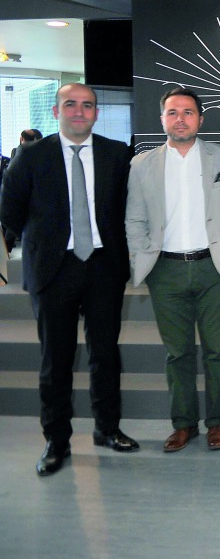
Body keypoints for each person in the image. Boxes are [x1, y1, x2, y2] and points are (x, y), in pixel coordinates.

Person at [0, 83, 138, 476]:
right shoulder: (30, 157)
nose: (80, 111)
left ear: (96, 112)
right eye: (71, 105)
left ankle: (107, 429)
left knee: (105, 354)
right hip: (52, 270)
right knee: (55, 360)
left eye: (87, 105)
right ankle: (56, 441)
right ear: (57, 111)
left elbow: (128, 207)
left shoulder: (116, 154)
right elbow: (10, 211)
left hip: (103, 268)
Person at [126, 87, 220, 452]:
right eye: (172, 112)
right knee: (178, 353)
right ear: (162, 119)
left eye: (188, 112)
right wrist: (143, 258)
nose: (180, 119)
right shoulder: (141, 164)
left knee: (217, 351)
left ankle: (218, 422)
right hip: (166, 271)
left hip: (214, 269)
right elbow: (135, 219)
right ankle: (184, 424)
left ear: (200, 118)